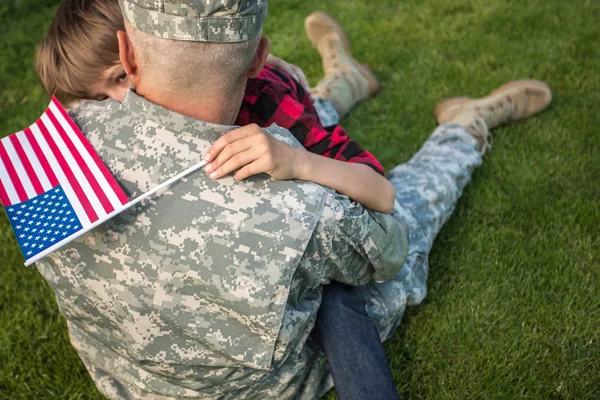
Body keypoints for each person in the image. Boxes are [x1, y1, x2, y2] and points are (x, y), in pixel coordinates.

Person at [31, 1, 552, 400]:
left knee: (289, 123)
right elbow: (391, 241)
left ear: (126, 52)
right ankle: (466, 127)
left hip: (127, 379)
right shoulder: (304, 208)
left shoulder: (45, 150)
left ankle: (342, 84)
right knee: (402, 223)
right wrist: (300, 167)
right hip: (265, 382)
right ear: (259, 55)